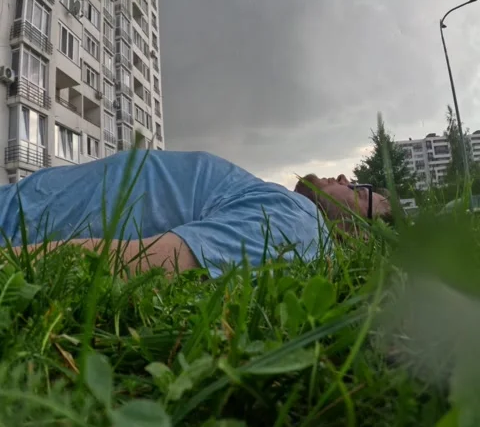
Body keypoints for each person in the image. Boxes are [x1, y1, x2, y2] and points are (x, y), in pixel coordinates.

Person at [0, 150, 390, 277]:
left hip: (15, 220)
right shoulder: (290, 208)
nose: (344, 176)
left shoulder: (300, 225)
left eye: (359, 190)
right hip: (22, 199)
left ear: (358, 236)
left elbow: (145, 263)